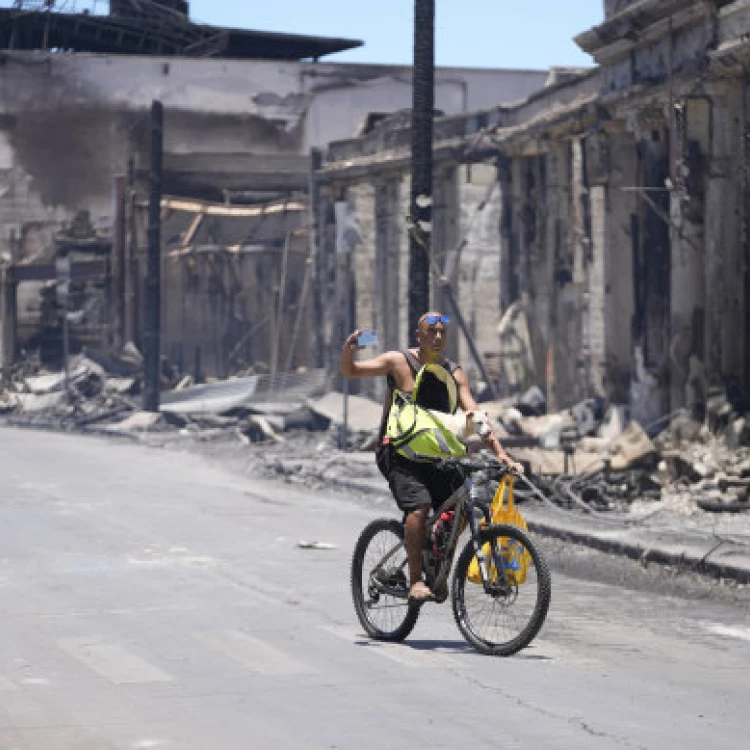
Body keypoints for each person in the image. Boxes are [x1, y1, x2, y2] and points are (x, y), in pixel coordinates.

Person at [340, 311, 524, 603]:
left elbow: (475, 416)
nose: (437, 337)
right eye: (431, 332)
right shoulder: (398, 362)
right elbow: (351, 372)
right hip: (398, 451)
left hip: (435, 453)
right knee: (419, 506)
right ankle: (415, 582)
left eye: (442, 332)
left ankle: (436, 561)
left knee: (463, 503)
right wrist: (349, 349)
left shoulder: (454, 372)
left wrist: (501, 454)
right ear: (419, 336)